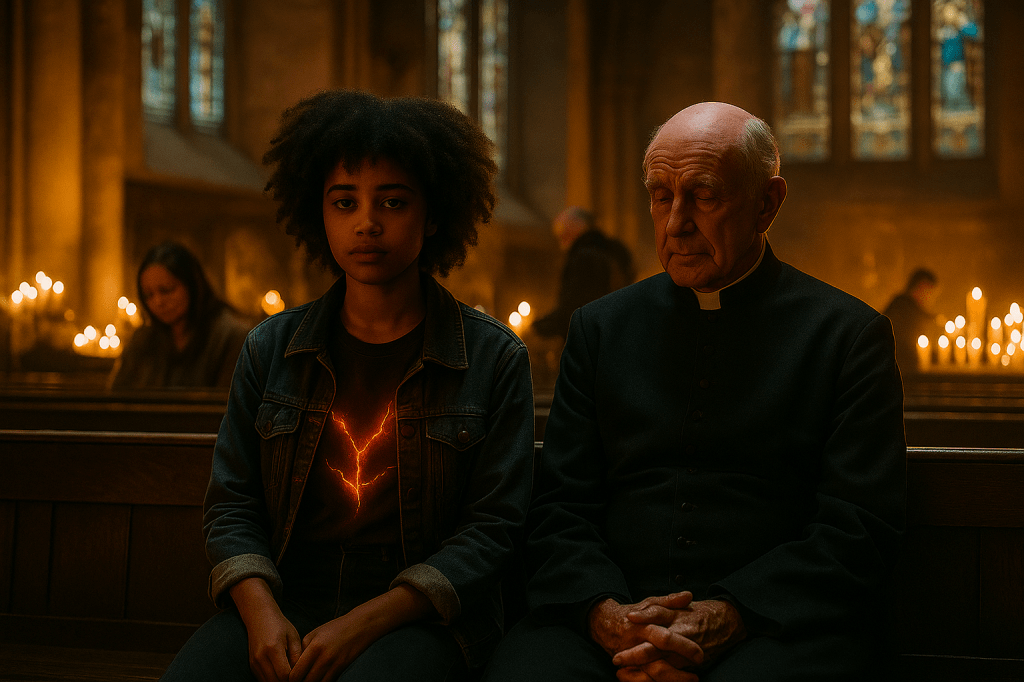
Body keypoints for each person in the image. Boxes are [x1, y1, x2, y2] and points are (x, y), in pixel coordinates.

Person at [483, 102, 906, 681]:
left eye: (703, 196)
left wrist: (730, 616)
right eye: (661, 196)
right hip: (609, 618)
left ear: (767, 203)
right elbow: (561, 506)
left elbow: (857, 524)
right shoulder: (601, 328)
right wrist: (607, 614)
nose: (676, 222)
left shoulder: (847, 336)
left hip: (775, 625)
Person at [159, 90, 534, 682]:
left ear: (433, 214)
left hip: (419, 613)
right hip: (285, 593)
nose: (367, 223)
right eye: (344, 202)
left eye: (392, 201)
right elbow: (232, 503)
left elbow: (493, 529)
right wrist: (260, 615)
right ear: (319, 214)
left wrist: (365, 621)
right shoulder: (270, 348)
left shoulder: (492, 358)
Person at [110, 241, 252, 389]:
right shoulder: (143, 340)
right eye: (148, 295)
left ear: (191, 285)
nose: (157, 302)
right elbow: (117, 398)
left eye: (166, 290)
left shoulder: (231, 336)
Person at [531, 206, 635, 341]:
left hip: (591, 343)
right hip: (618, 336)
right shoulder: (615, 252)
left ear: (577, 227)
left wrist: (540, 327)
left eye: (563, 235)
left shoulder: (583, 258)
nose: (562, 245)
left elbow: (575, 307)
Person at [883, 268, 941, 374]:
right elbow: (910, 349)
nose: (932, 300)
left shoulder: (900, 306)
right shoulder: (905, 312)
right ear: (923, 287)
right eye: (932, 294)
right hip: (903, 374)